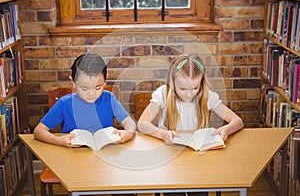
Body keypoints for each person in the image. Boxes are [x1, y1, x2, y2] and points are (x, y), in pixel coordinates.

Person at [137, 53, 244, 196]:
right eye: (183, 89)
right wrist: (161, 134)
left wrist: (226, 130)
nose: (189, 94)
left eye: (195, 88)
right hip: (171, 161)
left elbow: (238, 121)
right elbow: (142, 123)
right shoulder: (163, 94)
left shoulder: (207, 96)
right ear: (172, 82)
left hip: (198, 162)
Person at [33, 53, 136, 147]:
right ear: (73, 82)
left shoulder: (109, 99)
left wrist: (128, 133)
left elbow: (129, 123)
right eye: (84, 89)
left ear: (105, 80)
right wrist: (59, 141)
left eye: (98, 88)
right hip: (72, 156)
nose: (91, 93)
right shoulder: (64, 104)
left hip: (105, 155)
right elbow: (38, 131)